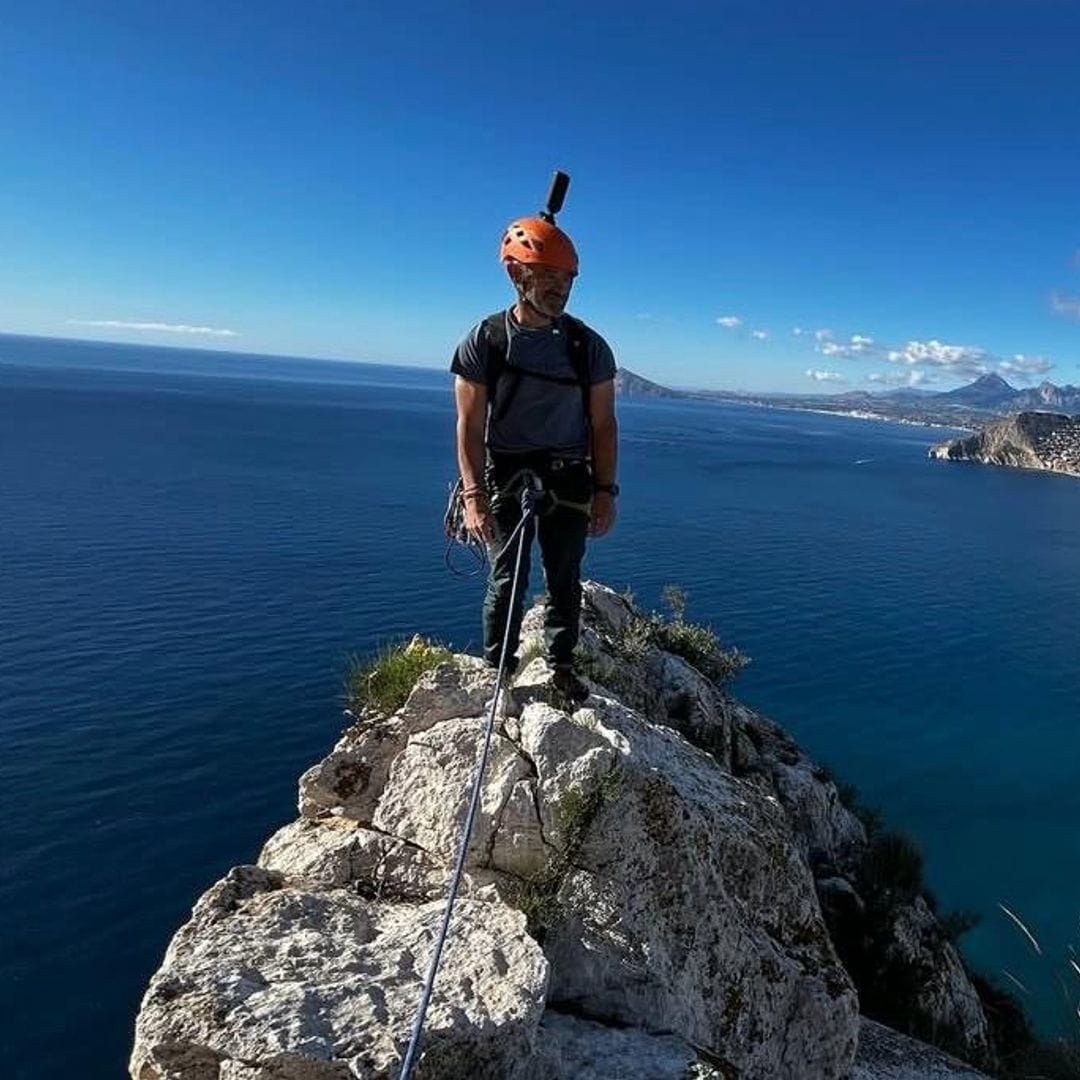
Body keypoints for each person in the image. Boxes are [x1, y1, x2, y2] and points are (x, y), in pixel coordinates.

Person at [451, 214, 619, 703]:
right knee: (507, 580)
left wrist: (606, 491)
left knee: (566, 578)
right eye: (547, 277)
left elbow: (604, 425)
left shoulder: (587, 347)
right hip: (507, 477)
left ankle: (561, 667)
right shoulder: (486, 341)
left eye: (566, 279)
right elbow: (468, 425)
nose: (560, 289)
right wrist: (473, 496)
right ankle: (497, 676)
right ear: (515, 275)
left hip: (569, 479)